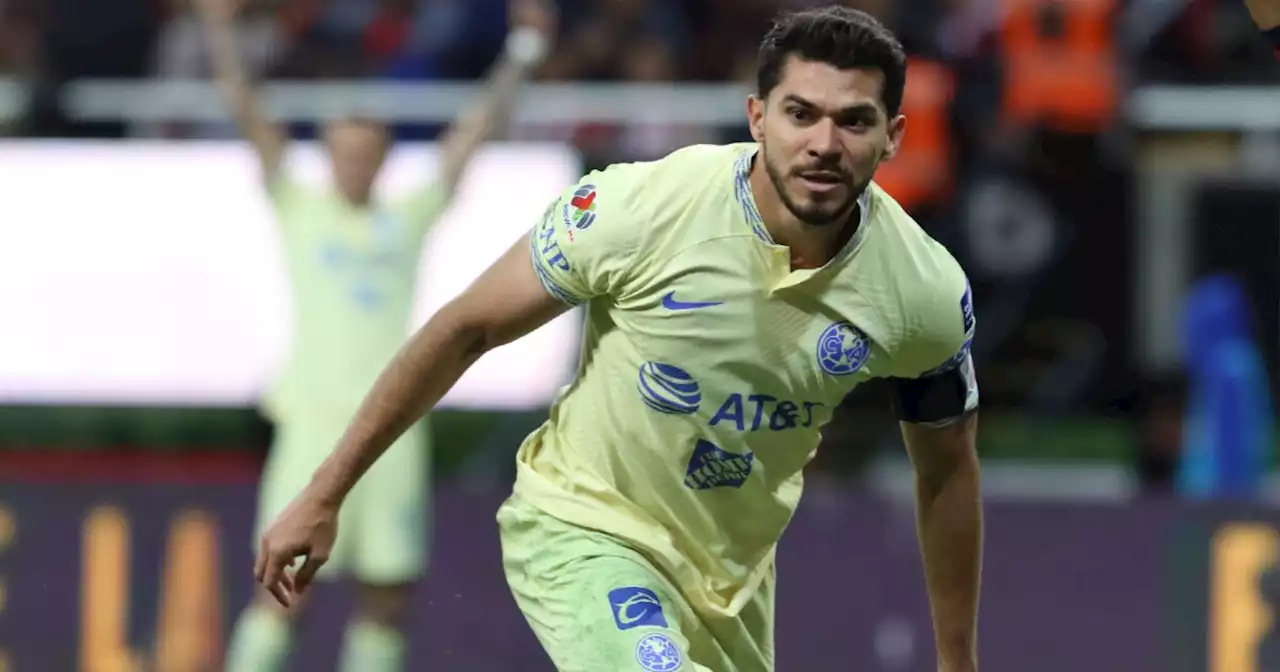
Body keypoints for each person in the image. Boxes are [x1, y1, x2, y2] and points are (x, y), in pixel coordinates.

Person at [256, 6, 982, 672]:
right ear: (758, 118)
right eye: (801, 114)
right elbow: (463, 327)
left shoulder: (920, 292)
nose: (824, 143)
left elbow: (947, 470)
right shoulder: (640, 210)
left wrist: (957, 663)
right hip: (583, 526)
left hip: (731, 578)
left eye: (854, 121)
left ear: (894, 135)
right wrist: (326, 492)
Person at [194, 0, 557, 670]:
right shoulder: (303, 210)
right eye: (342, 151)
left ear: (384, 157)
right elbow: (246, 108)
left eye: (366, 152)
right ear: (326, 154)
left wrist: (522, 54)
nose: (353, 165)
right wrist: (216, 29)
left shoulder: (406, 217)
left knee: (388, 594)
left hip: (393, 428)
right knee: (284, 590)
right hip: (312, 425)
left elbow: (475, 131)